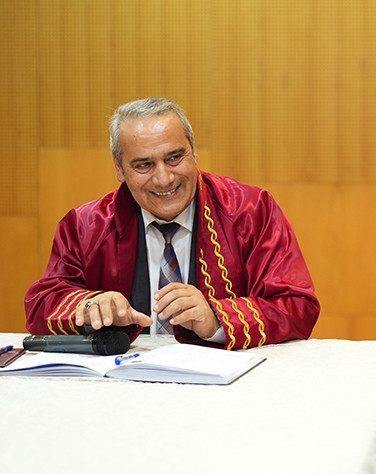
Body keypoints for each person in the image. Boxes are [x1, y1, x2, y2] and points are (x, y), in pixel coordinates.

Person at [25, 97, 320, 350]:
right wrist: (88, 306)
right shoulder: (85, 225)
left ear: (194, 152)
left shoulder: (252, 211)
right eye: (144, 165)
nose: (164, 178)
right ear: (119, 168)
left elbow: (297, 305)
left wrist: (217, 318)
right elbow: (41, 304)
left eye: (175, 157)